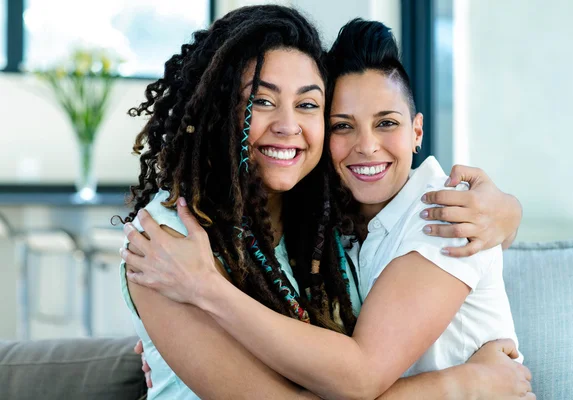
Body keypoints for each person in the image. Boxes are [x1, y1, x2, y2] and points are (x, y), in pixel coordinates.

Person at [121, 5, 529, 399]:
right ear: (219, 109)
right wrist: (466, 386)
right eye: (262, 101)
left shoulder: (333, 226)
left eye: (307, 105)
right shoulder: (167, 242)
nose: (287, 126)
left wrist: (508, 212)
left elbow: (358, 372)